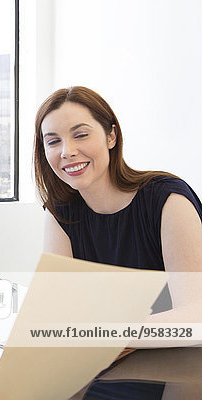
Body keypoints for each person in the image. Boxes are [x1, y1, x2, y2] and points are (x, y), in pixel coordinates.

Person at [33, 85, 202, 330]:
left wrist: (103, 333)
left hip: (177, 359)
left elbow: (195, 315)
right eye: (53, 141)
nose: (67, 152)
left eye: (80, 135)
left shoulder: (168, 199)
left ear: (111, 136)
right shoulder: (60, 212)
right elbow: (58, 310)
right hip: (107, 356)